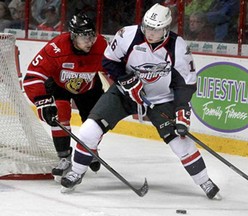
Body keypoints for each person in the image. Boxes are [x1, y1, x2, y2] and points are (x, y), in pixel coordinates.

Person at [60, 3, 220, 200]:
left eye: (155, 29)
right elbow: (109, 61)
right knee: (88, 131)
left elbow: (184, 84)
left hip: (161, 99)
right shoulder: (127, 35)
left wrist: (181, 110)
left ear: (166, 29)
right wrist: (125, 79)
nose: (149, 32)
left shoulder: (178, 47)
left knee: (180, 142)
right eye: (147, 26)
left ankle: (204, 180)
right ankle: (76, 171)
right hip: (123, 94)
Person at [23, 13, 108, 181]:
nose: (90, 41)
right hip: (58, 84)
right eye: (85, 37)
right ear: (73, 35)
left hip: (89, 87)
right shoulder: (56, 48)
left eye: (92, 36)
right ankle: (64, 157)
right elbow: (33, 75)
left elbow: (114, 70)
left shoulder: (101, 46)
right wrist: (43, 102)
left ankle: (90, 148)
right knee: (60, 114)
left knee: (97, 121)